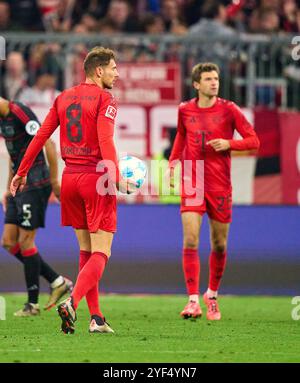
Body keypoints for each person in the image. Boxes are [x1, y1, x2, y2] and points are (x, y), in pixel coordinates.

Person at [10, 46, 133, 334]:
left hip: (71, 180)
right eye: (114, 68)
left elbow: (41, 136)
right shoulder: (106, 99)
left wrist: (22, 171)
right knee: (102, 252)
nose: (117, 73)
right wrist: (113, 176)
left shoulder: (63, 97)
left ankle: (97, 318)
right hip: (95, 178)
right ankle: (72, 303)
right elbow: (106, 140)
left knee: (86, 250)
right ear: (99, 70)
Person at [168, 62, 260, 320]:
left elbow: (254, 140)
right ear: (196, 84)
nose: (214, 82)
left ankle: (212, 295)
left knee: (219, 244)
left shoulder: (229, 110)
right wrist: (173, 164)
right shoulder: (185, 110)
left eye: (216, 78)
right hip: (193, 180)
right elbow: (181, 137)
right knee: (190, 240)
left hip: (220, 185)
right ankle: (192, 300)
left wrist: (228, 143)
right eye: (208, 79)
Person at [0, 97, 73, 316]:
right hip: (19, 185)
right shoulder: (3, 120)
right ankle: (57, 281)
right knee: (8, 242)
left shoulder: (21, 113)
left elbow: (48, 143)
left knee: (26, 241)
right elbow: (16, 157)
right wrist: (8, 188)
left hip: (36, 183)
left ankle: (32, 304)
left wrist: (54, 181)